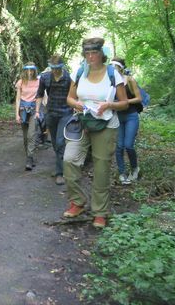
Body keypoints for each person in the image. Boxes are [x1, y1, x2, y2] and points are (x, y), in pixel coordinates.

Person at [64, 38, 128, 229]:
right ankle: (78, 201)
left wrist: (109, 104)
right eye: (87, 54)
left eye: (94, 53)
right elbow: (70, 97)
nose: (91, 57)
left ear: (102, 54)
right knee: (69, 159)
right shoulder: (80, 72)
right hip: (83, 123)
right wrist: (76, 104)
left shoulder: (113, 73)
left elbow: (124, 103)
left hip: (106, 125)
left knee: (101, 169)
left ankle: (100, 212)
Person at [35, 54, 73, 185]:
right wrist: (37, 111)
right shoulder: (45, 77)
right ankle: (60, 165)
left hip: (65, 113)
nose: (55, 70)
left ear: (62, 66)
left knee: (60, 141)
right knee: (56, 144)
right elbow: (39, 95)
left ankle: (60, 173)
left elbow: (73, 96)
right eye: (53, 68)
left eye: (57, 68)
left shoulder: (69, 78)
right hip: (51, 113)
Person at [110, 57, 142, 185]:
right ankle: (122, 173)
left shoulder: (130, 80)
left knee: (128, 145)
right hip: (118, 117)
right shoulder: (111, 82)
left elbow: (138, 98)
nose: (112, 69)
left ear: (120, 68)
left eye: (114, 67)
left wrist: (124, 102)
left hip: (131, 116)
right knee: (119, 146)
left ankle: (135, 169)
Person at [15, 62, 40, 170]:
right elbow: (17, 99)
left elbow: (40, 96)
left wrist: (38, 111)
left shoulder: (39, 82)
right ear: (25, 70)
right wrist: (16, 114)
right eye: (28, 70)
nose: (30, 72)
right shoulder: (20, 82)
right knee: (25, 137)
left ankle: (29, 158)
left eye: (32, 70)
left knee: (31, 135)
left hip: (34, 109)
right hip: (23, 110)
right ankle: (29, 157)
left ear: (34, 70)